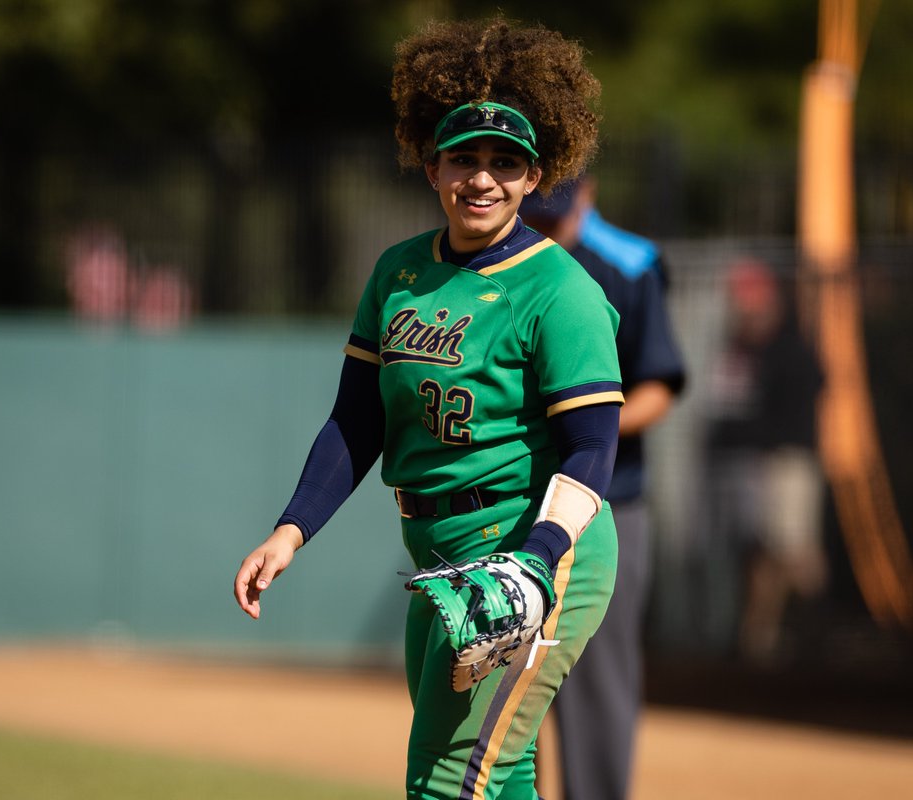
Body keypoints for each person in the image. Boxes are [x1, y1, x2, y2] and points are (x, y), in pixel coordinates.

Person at [234, 17, 624, 800]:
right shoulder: (399, 272)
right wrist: (291, 528)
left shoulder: (560, 290)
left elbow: (593, 446)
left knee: (447, 778)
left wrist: (538, 557)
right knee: (497, 772)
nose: (482, 178)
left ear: (534, 177)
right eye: (464, 158)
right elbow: (358, 420)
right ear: (431, 166)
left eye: (504, 163)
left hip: (533, 548)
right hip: (440, 554)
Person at [521, 179, 686, 800]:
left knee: (595, 680)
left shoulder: (628, 264)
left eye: (556, 215)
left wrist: (588, 427)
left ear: (586, 195)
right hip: (515, 500)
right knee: (500, 674)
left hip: (608, 504)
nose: (545, 225)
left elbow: (659, 386)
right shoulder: (495, 259)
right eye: (536, 213)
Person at [702, 257, 827, 665]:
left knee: (794, 553)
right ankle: (759, 640)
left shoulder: (789, 350)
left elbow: (786, 415)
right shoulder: (749, 350)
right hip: (762, 464)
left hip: (787, 462)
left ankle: (817, 631)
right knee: (763, 555)